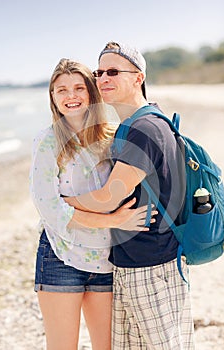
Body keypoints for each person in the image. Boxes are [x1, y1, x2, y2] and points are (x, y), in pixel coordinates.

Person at [64, 42, 195, 349]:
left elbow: (109, 196)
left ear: (138, 78)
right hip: (137, 261)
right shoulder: (137, 123)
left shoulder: (144, 128)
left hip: (152, 263)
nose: (102, 79)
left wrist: (62, 203)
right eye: (99, 72)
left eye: (113, 71)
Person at [29, 58, 157, 350]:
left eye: (78, 88)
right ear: (52, 97)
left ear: (91, 92)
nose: (70, 96)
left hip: (107, 259)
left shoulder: (114, 138)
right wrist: (113, 220)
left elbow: (125, 191)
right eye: (61, 90)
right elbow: (49, 209)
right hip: (61, 255)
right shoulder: (47, 141)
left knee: (108, 346)